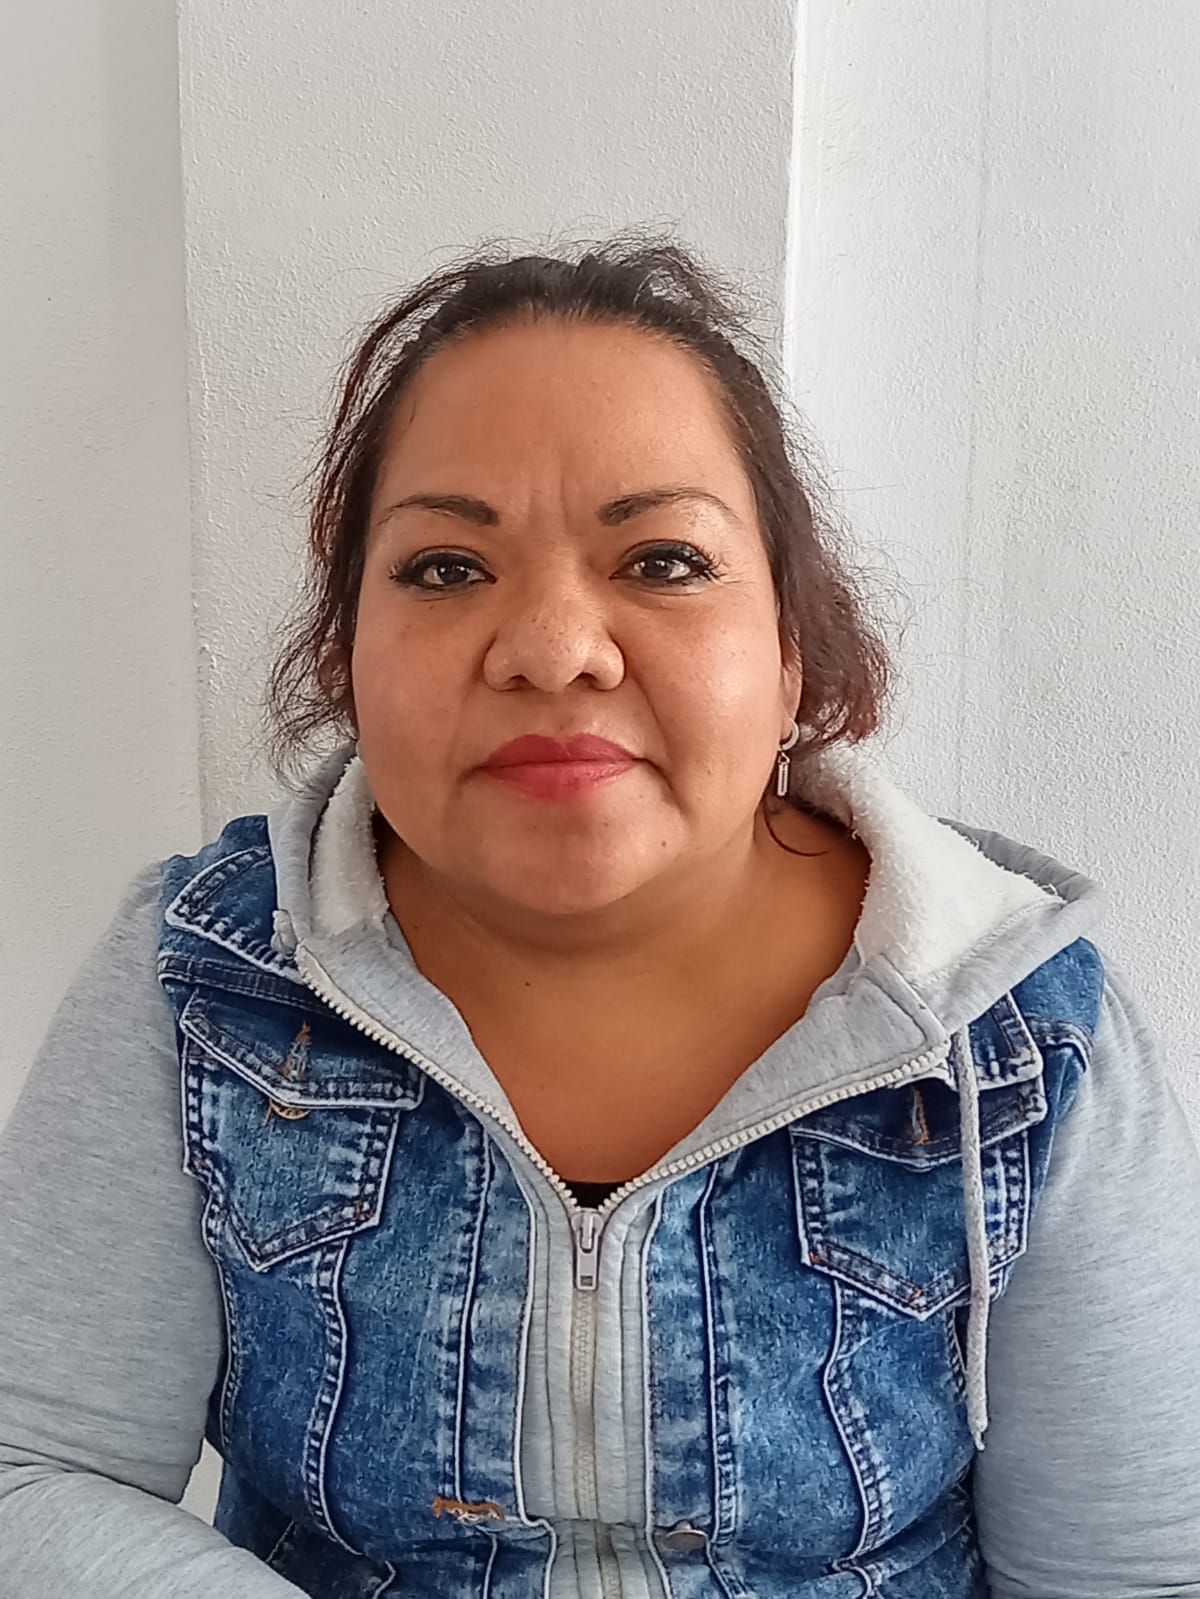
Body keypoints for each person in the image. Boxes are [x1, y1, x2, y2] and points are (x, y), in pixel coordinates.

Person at [1, 233, 1198, 1599]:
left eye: (665, 560)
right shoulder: (209, 977)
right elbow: (33, 1469)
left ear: (792, 649)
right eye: (447, 568)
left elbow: (1133, 1572)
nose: (555, 648)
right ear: (346, 652)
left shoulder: (1017, 1028)